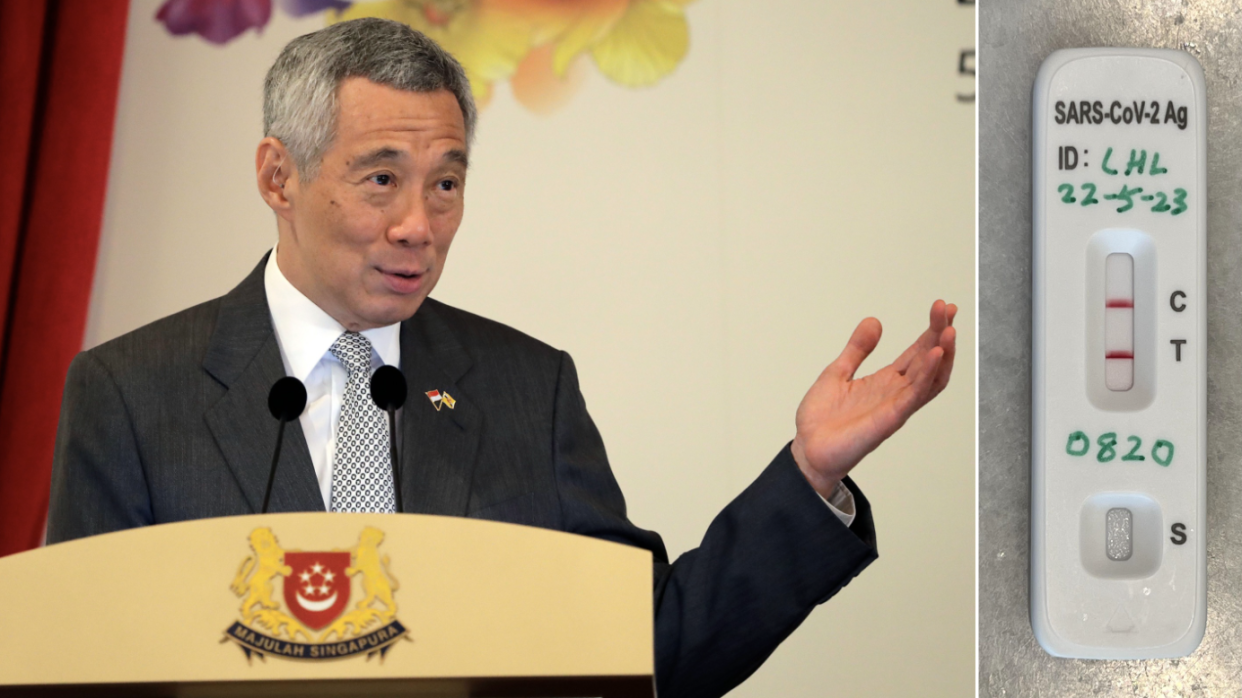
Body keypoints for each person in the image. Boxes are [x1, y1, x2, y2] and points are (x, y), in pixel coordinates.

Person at [47, 18, 956, 698]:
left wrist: (809, 477)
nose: (419, 224)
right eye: (381, 178)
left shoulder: (528, 388)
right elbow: (80, 667)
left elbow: (649, 652)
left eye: (447, 182)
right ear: (279, 177)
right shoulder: (132, 394)